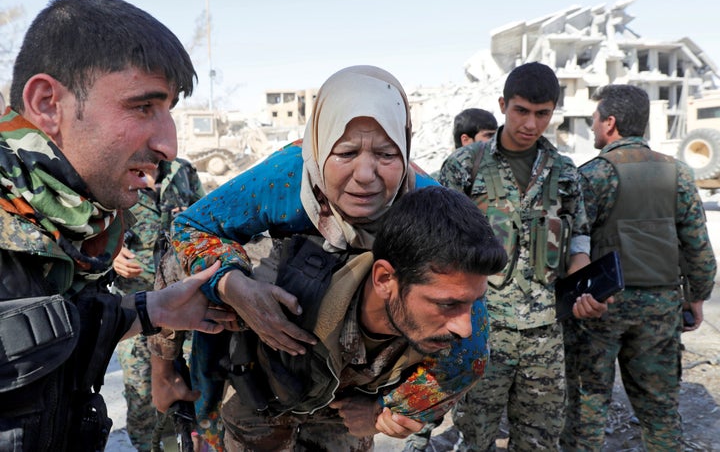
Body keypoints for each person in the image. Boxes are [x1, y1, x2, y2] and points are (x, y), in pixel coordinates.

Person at [150, 65, 495, 450]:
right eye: (345, 152)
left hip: (345, 387)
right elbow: (189, 231)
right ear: (317, 146)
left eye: (386, 153)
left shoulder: (424, 210)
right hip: (258, 376)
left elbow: (471, 349)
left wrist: (387, 409)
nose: (366, 174)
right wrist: (236, 288)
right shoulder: (287, 177)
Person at [0, 0, 234, 452]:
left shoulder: (65, 225)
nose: (169, 143)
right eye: (142, 107)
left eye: (169, 110)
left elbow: (51, 332)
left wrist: (150, 310)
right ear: (48, 103)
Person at [218, 186, 507, 449]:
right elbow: (187, 280)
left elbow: (465, 367)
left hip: (338, 421)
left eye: (474, 301)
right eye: (447, 304)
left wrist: (383, 410)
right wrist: (170, 365)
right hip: (259, 408)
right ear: (384, 279)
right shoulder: (280, 277)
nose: (465, 327)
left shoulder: (463, 352)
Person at [437, 61, 608, 451]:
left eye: (542, 113)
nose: (530, 124)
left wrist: (583, 276)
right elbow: (438, 241)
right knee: (474, 437)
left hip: (545, 333)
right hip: (482, 327)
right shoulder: (465, 166)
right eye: (521, 111)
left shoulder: (564, 172)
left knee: (539, 440)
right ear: (503, 104)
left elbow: (578, 234)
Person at [561, 84, 717, 451]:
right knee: (661, 412)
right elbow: (697, 246)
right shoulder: (677, 173)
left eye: (595, 118)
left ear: (610, 123)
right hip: (661, 309)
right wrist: (696, 298)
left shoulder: (593, 175)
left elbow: (572, 243)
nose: (594, 125)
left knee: (587, 408)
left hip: (602, 308)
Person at [111, 158, 205, 451]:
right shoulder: (110, 172)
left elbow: (205, 222)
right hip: (135, 311)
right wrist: (110, 256)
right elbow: (84, 237)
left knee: (194, 390)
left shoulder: (183, 172)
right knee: (142, 396)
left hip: (183, 309)